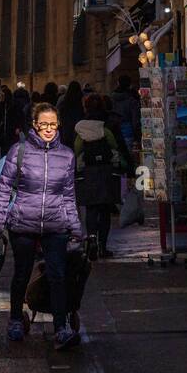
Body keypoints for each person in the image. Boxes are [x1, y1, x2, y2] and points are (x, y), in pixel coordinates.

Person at [0, 101, 83, 351]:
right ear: (34, 125)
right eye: (44, 124)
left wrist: (75, 227)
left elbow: (68, 195)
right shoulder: (18, 152)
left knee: (57, 274)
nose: (49, 129)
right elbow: (3, 189)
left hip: (55, 223)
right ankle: (16, 319)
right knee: (21, 273)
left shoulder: (67, 155)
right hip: (23, 222)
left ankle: (61, 327)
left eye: (53, 124)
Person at [74, 95, 130, 258]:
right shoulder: (107, 126)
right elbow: (116, 146)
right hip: (106, 172)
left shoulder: (81, 129)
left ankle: (91, 238)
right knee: (105, 210)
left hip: (88, 173)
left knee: (91, 208)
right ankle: (102, 246)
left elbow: (76, 149)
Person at [110, 74, 141, 151]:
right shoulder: (131, 100)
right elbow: (135, 119)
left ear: (118, 83)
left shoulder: (112, 98)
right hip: (128, 131)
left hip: (115, 130)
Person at [58, 80, 85, 150]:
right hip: (79, 125)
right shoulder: (82, 99)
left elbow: (58, 111)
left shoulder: (63, 100)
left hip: (67, 125)